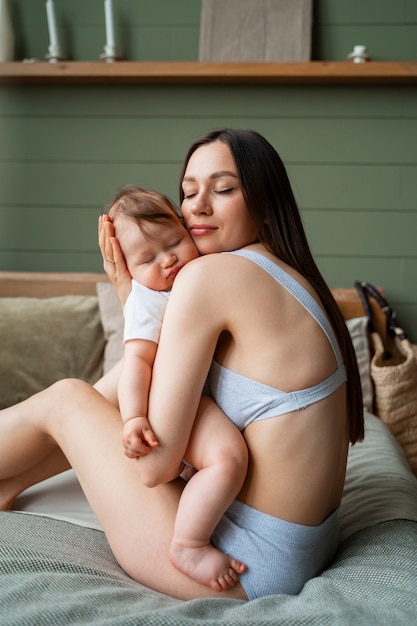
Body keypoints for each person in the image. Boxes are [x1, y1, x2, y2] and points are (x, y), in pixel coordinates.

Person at [0, 128, 363, 602]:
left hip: (241, 567)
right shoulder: (288, 274)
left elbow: (154, 467)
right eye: (189, 192)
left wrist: (132, 297)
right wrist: (139, 317)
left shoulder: (209, 277)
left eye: (224, 188)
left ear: (264, 198)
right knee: (93, 398)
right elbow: (129, 390)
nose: (199, 207)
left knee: (69, 400)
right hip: (293, 552)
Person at [104, 184, 247, 591]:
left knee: (216, 466)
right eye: (147, 258)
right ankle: (188, 544)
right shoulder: (147, 300)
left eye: (174, 242)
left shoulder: (208, 271)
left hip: (197, 396)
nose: (167, 260)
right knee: (227, 457)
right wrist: (133, 417)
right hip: (174, 402)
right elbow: (137, 361)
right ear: (127, 269)